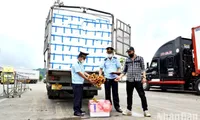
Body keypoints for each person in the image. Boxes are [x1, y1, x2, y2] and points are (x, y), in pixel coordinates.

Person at [115, 46, 151, 117]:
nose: (129, 53)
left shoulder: (140, 58)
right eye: (128, 52)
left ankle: (145, 110)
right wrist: (119, 77)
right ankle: (129, 110)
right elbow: (124, 71)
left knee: (142, 95)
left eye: (130, 52)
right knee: (129, 96)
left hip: (138, 80)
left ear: (133, 51)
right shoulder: (127, 60)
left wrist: (144, 77)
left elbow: (143, 69)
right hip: (129, 80)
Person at [99, 47, 122, 113]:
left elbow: (119, 68)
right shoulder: (105, 60)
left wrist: (118, 74)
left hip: (114, 78)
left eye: (110, 52)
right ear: (107, 53)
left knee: (115, 93)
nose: (109, 53)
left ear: (112, 53)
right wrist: (100, 76)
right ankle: (108, 107)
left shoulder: (115, 59)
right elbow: (100, 68)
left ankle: (117, 107)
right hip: (107, 78)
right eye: (108, 52)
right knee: (107, 94)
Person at [71, 51, 93, 116]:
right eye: (83, 58)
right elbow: (80, 73)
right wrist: (87, 79)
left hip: (80, 83)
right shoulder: (75, 64)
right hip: (76, 83)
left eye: (85, 58)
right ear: (80, 57)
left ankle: (79, 110)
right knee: (77, 97)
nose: (84, 60)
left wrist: (89, 75)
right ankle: (76, 111)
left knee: (80, 97)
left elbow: (83, 72)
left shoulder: (80, 64)